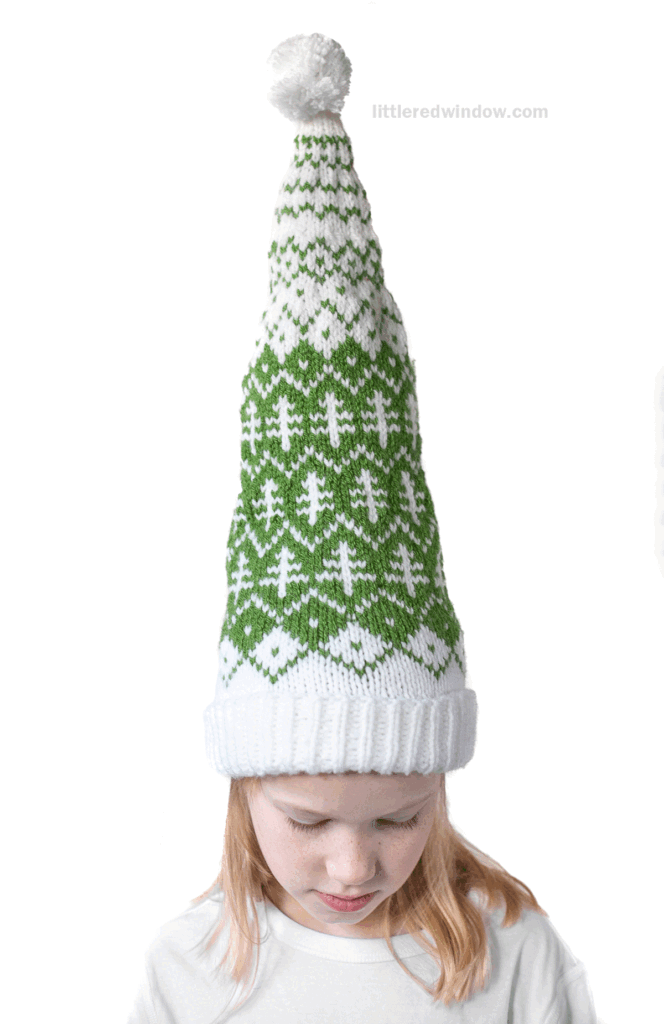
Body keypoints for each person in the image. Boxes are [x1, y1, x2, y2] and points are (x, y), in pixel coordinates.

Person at [127, 33, 601, 1024]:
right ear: (243, 788)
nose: (352, 865)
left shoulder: (516, 955)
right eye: (306, 821)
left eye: (400, 816)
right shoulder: (189, 969)